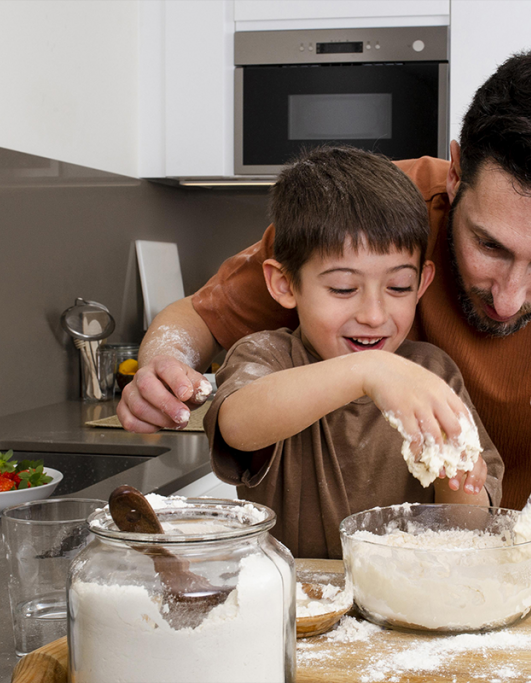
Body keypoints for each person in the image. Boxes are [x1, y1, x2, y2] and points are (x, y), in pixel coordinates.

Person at [118, 46, 531, 567]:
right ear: (455, 175)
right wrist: (161, 367)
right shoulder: (373, 218)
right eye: (489, 245)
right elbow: (196, 321)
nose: (508, 298)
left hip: (520, 573)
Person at [203, 146, 504, 559]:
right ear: (285, 285)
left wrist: (457, 473)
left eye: (398, 287)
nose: (373, 315)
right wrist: (369, 370)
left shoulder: (433, 373)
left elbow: (469, 530)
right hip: (297, 594)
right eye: (344, 288)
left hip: (408, 592)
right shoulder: (267, 357)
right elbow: (237, 425)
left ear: (421, 283)